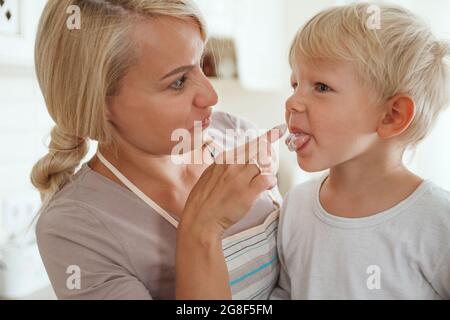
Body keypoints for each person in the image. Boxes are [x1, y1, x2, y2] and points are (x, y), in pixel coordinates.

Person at [31, 0, 284, 300]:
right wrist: (201, 230)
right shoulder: (74, 229)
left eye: (201, 64)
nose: (211, 96)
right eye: (178, 82)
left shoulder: (235, 134)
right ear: (99, 102)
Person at [271, 3, 450, 299]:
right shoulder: (295, 206)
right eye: (295, 83)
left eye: (321, 87)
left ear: (392, 115)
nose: (292, 102)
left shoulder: (436, 221)